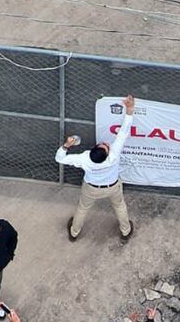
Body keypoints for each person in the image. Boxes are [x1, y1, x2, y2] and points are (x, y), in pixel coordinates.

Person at [55, 94, 136, 242]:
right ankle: (126, 231)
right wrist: (129, 109)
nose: (106, 143)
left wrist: (67, 145)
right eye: (106, 146)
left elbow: (59, 158)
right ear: (106, 153)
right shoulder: (113, 155)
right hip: (113, 187)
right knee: (119, 206)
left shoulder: (84, 158)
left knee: (82, 209)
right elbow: (124, 132)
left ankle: (74, 233)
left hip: (91, 188)